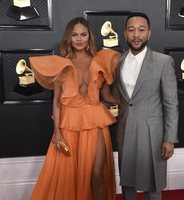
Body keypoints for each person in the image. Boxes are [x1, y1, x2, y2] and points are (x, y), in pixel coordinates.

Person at [29, 17, 120, 200]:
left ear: (89, 37)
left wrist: (133, 101)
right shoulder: (61, 64)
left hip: (95, 123)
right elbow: (56, 102)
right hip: (69, 125)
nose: (79, 39)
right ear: (69, 38)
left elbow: (108, 96)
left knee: (97, 175)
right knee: (70, 177)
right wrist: (57, 133)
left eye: (83, 35)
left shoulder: (100, 60)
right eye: (74, 35)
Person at [115, 12, 179, 200]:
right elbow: (111, 95)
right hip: (125, 129)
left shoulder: (163, 62)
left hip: (154, 133)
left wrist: (169, 138)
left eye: (141, 30)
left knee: (153, 185)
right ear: (125, 33)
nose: (136, 34)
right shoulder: (116, 61)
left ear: (149, 33)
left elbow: (171, 102)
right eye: (131, 30)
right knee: (127, 182)